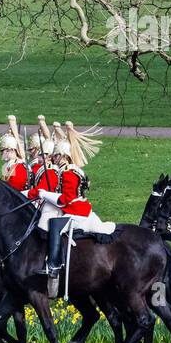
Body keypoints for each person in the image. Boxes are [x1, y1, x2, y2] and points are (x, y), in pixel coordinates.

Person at [35, 121, 111, 297]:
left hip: (76, 211)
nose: (53, 159)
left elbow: (65, 200)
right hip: (77, 208)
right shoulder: (70, 169)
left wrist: (44, 194)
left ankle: (53, 265)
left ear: (62, 156)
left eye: (55, 156)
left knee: (54, 224)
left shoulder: (69, 172)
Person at [0, 115, 31, 190]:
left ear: (9, 150)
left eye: (2, 150)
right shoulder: (7, 165)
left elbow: (15, 190)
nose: (1, 153)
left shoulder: (18, 167)